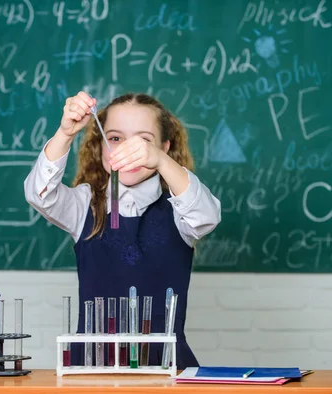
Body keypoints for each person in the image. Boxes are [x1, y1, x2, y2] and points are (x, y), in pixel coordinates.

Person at [24, 91, 221, 369]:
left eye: (143, 141)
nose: (129, 149)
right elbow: (39, 194)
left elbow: (207, 216)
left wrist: (163, 163)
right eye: (115, 138)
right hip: (91, 368)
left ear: (164, 147)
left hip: (166, 368)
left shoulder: (180, 210)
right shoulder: (84, 205)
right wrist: (65, 133)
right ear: (101, 146)